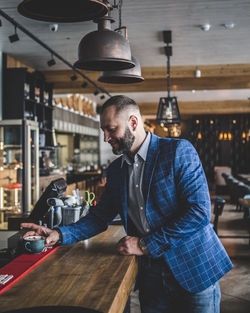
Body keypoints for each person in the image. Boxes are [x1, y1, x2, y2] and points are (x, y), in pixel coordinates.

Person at [22, 95, 233, 313]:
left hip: (193, 268)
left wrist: (145, 244)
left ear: (133, 123)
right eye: (103, 130)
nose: (106, 137)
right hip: (151, 275)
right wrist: (58, 234)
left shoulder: (178, 151)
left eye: (111, 129)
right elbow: (98, 217)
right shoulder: (116, 170)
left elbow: (198, 213)